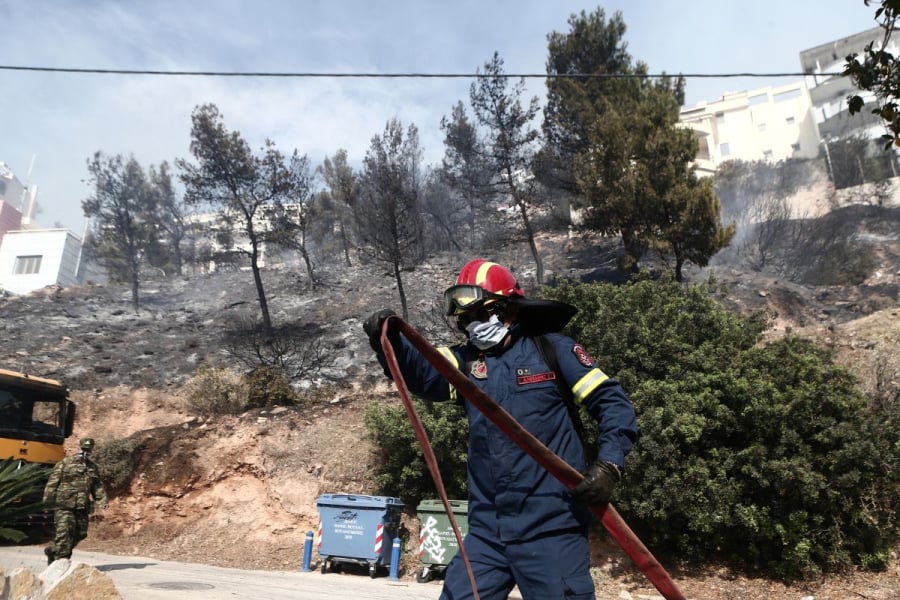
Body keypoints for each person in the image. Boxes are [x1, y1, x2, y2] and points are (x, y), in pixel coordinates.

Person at [363, 258, 638, 600]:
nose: (473, 327)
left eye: (481, 315)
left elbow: (612, 403)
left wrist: (609, 465)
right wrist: (388, 342)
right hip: (488, 532)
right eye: (466, 321)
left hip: (551, 528)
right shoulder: (466, 363)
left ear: (509, 311)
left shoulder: (553, 350)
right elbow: (423, 371)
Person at [42, 437, 109, 564]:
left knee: (81, 533)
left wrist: (102, 500)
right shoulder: (65, 463)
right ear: (79, 447)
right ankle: (60, 562)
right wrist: (47, 503)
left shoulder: (93, 467)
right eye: (83, 449)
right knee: (64, 533)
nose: (85, 451)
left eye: (88, 449)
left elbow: (97, 485)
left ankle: (54, 550)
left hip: (82, 506)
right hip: (63, 505)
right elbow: (52, 483)